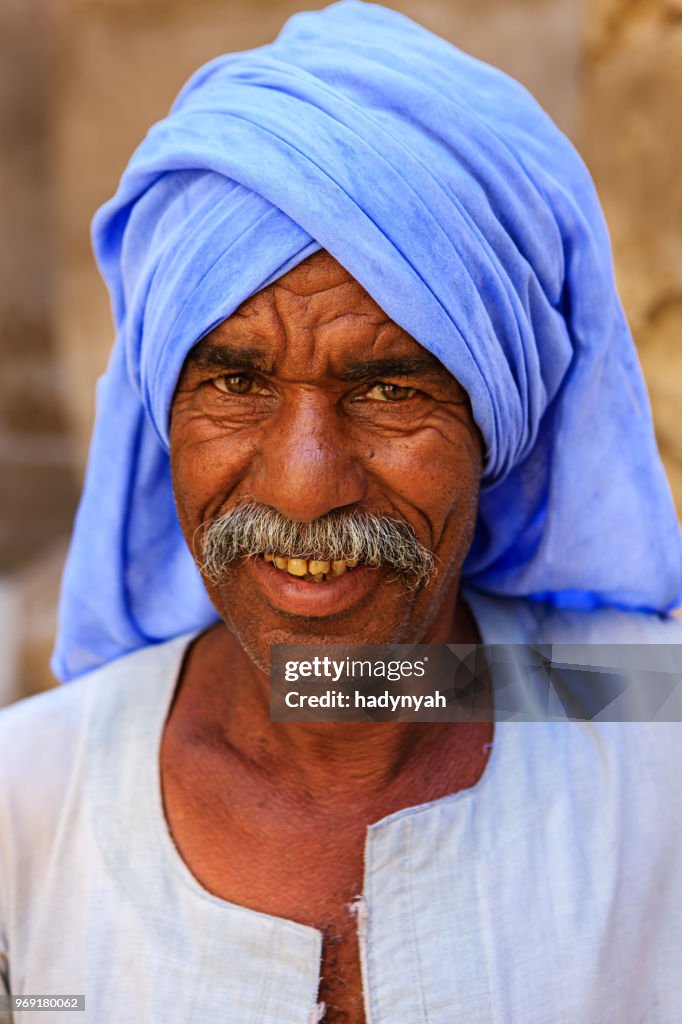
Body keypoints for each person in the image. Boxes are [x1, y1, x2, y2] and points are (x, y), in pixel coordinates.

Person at [1, 2, 682, 1021]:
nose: (306, 486)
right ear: (163, 414)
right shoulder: (28, 802)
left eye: (388, 389)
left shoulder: (650, 730)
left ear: (495, 422)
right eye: (235, 383)